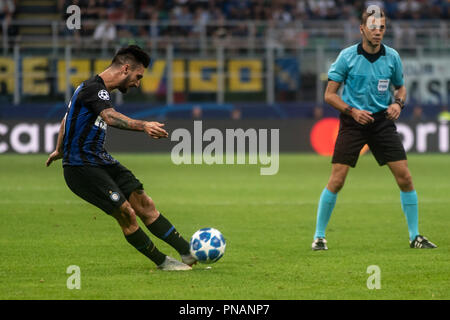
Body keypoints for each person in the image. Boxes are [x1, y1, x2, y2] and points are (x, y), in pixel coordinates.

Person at [46, 45, 196, 270]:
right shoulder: (93, 89)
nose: (138, 83)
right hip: (81, 167)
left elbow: (67, 119)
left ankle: (188, 253)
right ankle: (163, 262)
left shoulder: (93, 90)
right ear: (126, 68)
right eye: (138, 76)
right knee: (126, 213)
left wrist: (58, 149)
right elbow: (110, 117)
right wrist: (144, 125)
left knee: (144, 203)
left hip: (101, 160)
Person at [312, 7, 437, 250]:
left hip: (381, 122)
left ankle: (415, 237)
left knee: (405, 177)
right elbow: (329, 95)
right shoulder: (347, 57)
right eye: (372, 26)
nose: (377, 31)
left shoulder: (392, 57)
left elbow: (400, 88)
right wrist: (352, 111)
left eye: (381, 27)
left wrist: (398, 104)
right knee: (337, 180)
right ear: (362, 29)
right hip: (353, 122)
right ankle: (319, 236)